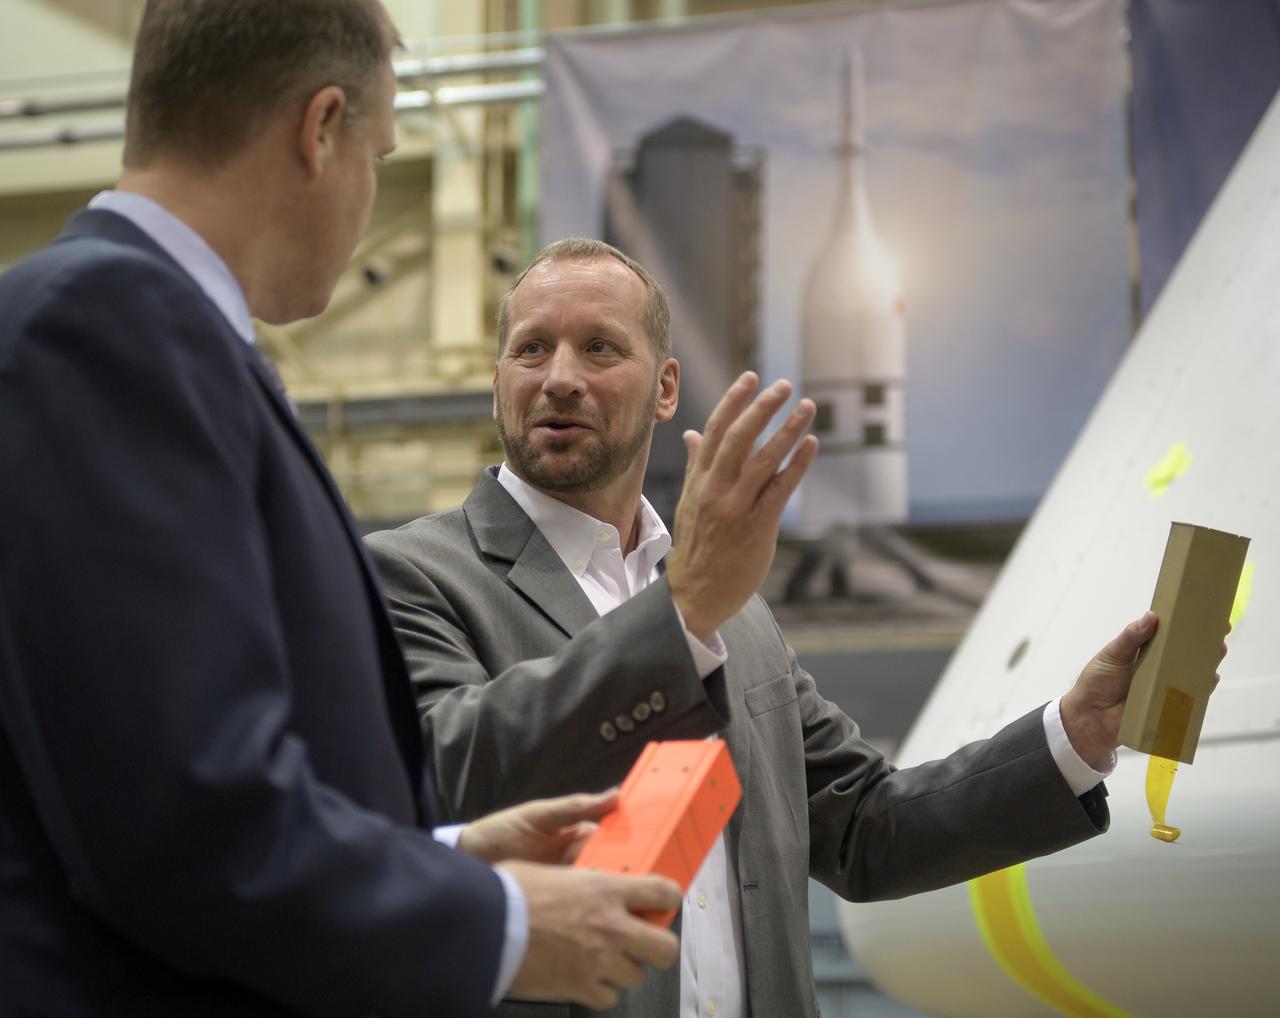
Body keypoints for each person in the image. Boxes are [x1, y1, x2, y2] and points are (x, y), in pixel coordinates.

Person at [0, 6, 681, 1016]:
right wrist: (496, 922)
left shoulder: (161, 336)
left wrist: (443, 855)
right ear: (320, 130)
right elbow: (183, 827)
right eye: (379, 152)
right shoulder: (109, 327)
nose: (371, 194)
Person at [366, 237, 1171, 1018]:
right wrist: (680, 613)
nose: (561, 378)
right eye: (531, 349)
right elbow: (443, 771)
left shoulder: (735, 614)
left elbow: (866, 825)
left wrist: (1073, 736)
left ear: (667, 387)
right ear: (498, 375)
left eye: (600, 349)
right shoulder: (414, 573)